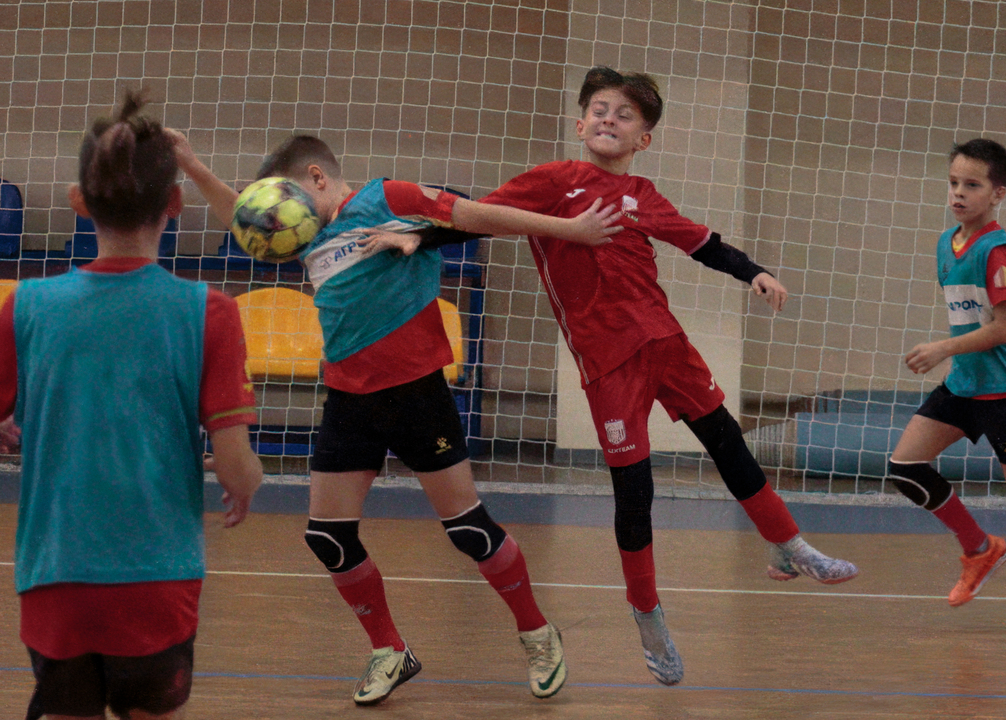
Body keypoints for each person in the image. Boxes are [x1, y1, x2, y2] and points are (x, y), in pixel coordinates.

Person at [171, 131, 621, 704]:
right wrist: (192, 164)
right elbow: (242, 215)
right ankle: (389, 649)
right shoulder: (304, 232)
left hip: (416, 395)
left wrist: (571, 229)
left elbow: (482, 215)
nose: (278, 216)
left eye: (286, 198)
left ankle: (537, 633)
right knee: (328, 538)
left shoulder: (388, 199)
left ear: (316, 178)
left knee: (469, 530)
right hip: (349, 399)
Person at [471, 66, 860, 686]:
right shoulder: (554, 181)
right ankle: (648, 615)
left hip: (666, 343)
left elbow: (701, 243)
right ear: (580, 123)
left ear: (643, 138)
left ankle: (790, 544)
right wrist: (410, 234)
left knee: (728, 442)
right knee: (636, 492)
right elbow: (472, 214)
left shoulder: (643, 193)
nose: (609, 119)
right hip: (608, 362)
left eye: (624, 115)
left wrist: (754, 271)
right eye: (600, 109)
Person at [1, 91, 264, 720]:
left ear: (78, 202)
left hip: (55, 575)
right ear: (174, 203)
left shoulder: (25, 307)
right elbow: (236, 469)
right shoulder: (209, 312)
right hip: (158, 578)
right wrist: (244, 481)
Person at [887, 138, 1006, 631]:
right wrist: (954, 359)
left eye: (972, 185)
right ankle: (979, 549)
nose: (958, 193)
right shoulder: (946, 243)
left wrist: (942, 348)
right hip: (964, 385)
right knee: (906, 468)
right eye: (954, 182)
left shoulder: (997, 253)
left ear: (997, 193)